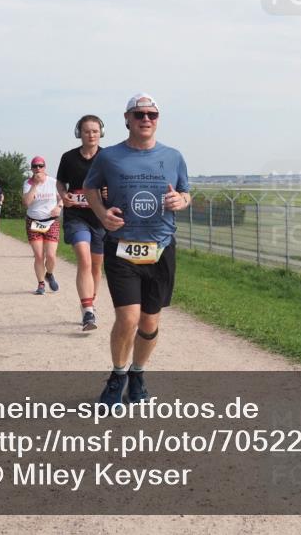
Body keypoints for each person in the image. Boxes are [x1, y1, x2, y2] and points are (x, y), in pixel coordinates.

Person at [84, 93, 189, 406]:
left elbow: (186, 193)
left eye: (152, 115)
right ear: (127, 119)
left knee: (149, 323)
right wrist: (102, 214)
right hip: (122, 248)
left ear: (157, 120)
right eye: (139, 114)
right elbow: (90, 188)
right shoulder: (109, 157)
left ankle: (138, 375)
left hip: (161, 249)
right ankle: (117, 376)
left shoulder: (173, 156)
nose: (146, 120)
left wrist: (181, 201)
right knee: (128, 319)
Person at [56, 115, 107, 331]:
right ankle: (87, 312)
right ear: (80, 133)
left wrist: (109, 191)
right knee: (84, 261)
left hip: (100, 217)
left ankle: (90, 304)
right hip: (76, 217)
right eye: (87, 131)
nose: (91, 135)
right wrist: (64, 195)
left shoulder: (108, 157)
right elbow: (60, 182)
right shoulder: (68, 158)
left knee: (96, 266)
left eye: (95, 131)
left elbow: (115, 182)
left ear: (100, 133)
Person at [23, 156, 62, 295]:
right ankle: (40, 284)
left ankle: (49, 274)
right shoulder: (28, 183)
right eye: (35, 166)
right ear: (32, 169)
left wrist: (59, 206)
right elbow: (27, 202)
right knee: (39, 255)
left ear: (45, 167)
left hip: (51, 222)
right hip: (34, 221)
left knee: (51, 255)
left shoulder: (53, 182)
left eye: (40, 166)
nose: (38, 169)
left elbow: (61, 196)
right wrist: (35, 185)